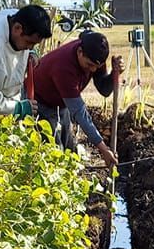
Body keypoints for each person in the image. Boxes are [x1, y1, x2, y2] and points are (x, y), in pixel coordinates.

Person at [33, 30, 121, 170]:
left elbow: (104, 90)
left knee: (69, 149)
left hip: (61, 102)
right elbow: (80, 114)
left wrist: (113, 74)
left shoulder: (95, 56)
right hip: (40, 101)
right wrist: (103, 149)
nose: (92, 70)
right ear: (80, 52)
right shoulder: (64, 68)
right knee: (54, 153)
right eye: (89, 65)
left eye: (96, 67)